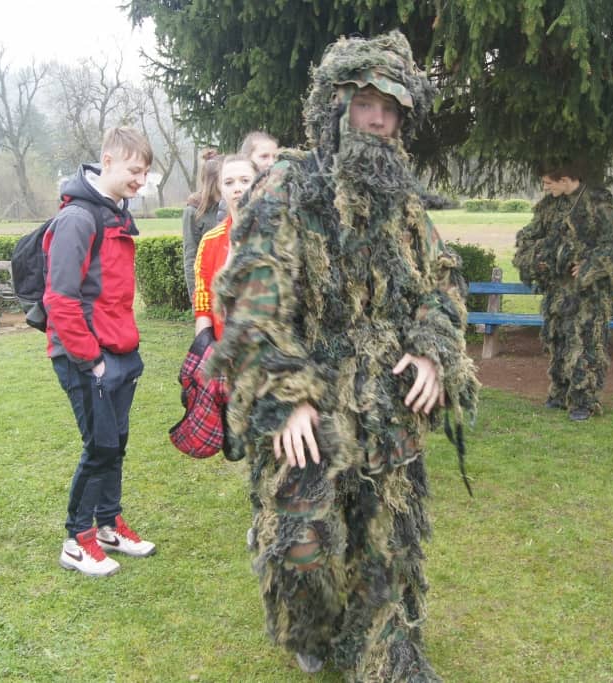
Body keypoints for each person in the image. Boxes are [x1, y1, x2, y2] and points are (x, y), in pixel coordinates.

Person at [207, 31, 478, 680]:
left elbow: (442, 282)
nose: (377, 118)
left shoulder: (404, 202)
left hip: (387, 407)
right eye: (364, 103)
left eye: (389, 107)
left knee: (384, 546)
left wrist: (433, 351)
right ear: (334, 108)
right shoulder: (286, 187)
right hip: (311, 403)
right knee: (301, 544)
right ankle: (309, 624)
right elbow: (254, 300)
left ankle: (382, 646)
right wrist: (287, 396)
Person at [44, 127, 156, 577]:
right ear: (107, 161)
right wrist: (91, 360)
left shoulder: (114, 214)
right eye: (134, 170)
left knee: (116, 444)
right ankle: (76, 540)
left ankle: (108, 526)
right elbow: (60, 299)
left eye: (145, 173)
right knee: (100, 446)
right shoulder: (78, 219)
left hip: (120, 351)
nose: (140, 181)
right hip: (87, 358)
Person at [512, 165, 613, 421]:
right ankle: (559, 393)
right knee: (558, 340)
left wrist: (590, 264)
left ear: (565, 179)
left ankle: (583, 401)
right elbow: (528, 237)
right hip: (558, 291)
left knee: (586, 343)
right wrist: (539, 258)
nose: (545, 188)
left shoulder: (599, 205)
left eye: (548, 183)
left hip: (589, 293)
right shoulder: (550, 207)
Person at [192, 155, 257, 340]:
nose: (237, 188)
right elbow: (203, 305)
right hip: (225, 351)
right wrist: (204, 347)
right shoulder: (210, 242)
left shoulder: (280, 236)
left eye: (245, 181)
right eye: (229, 182)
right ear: (221, 188)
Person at [182, 150, 222, 302]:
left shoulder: (232, 206)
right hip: (208, 291)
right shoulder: (193, 211)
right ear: (214, 180)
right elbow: (190, 258)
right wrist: (196, 299)